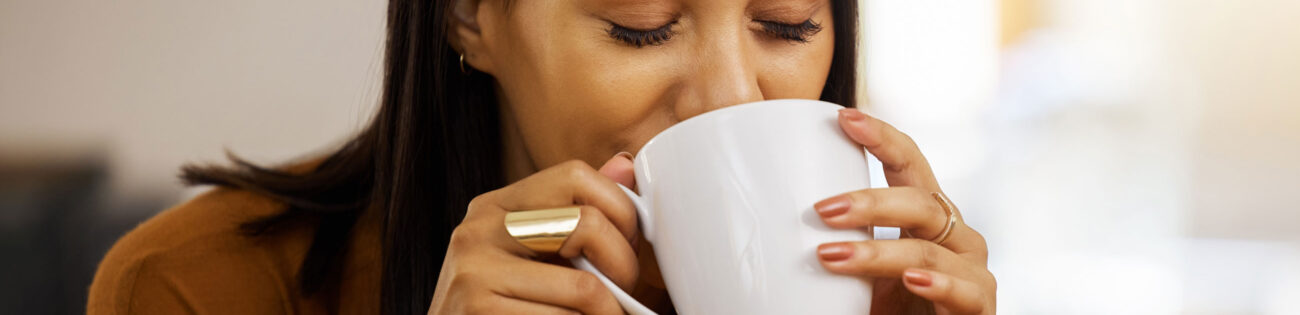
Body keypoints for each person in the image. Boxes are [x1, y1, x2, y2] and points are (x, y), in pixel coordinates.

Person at [87, 0, 995, 314]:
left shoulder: (875, 294)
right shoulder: (200, 287)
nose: (732, 95)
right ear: (471, 18)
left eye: (788, 25)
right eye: (641, 28)